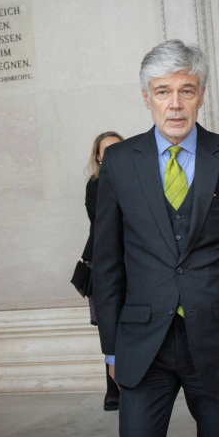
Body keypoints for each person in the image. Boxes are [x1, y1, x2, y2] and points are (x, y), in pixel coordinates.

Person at [92, 39, 219, 437]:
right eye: (163, 92)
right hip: (142, 344)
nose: (175, 104)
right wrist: (112, 348)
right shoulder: (119, 162)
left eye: (186, 91)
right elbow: (106, 264)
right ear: (147, 98)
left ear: (201, 95)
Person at [82, 131, 124, 410]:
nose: (112, 155)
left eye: (118, 148)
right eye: (106, 150)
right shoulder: (95, 184)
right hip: (104, 263)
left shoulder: (137, 179)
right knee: (110, 324)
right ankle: (113, 391)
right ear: (97, 157)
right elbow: (105, 223)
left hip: (133, 260)